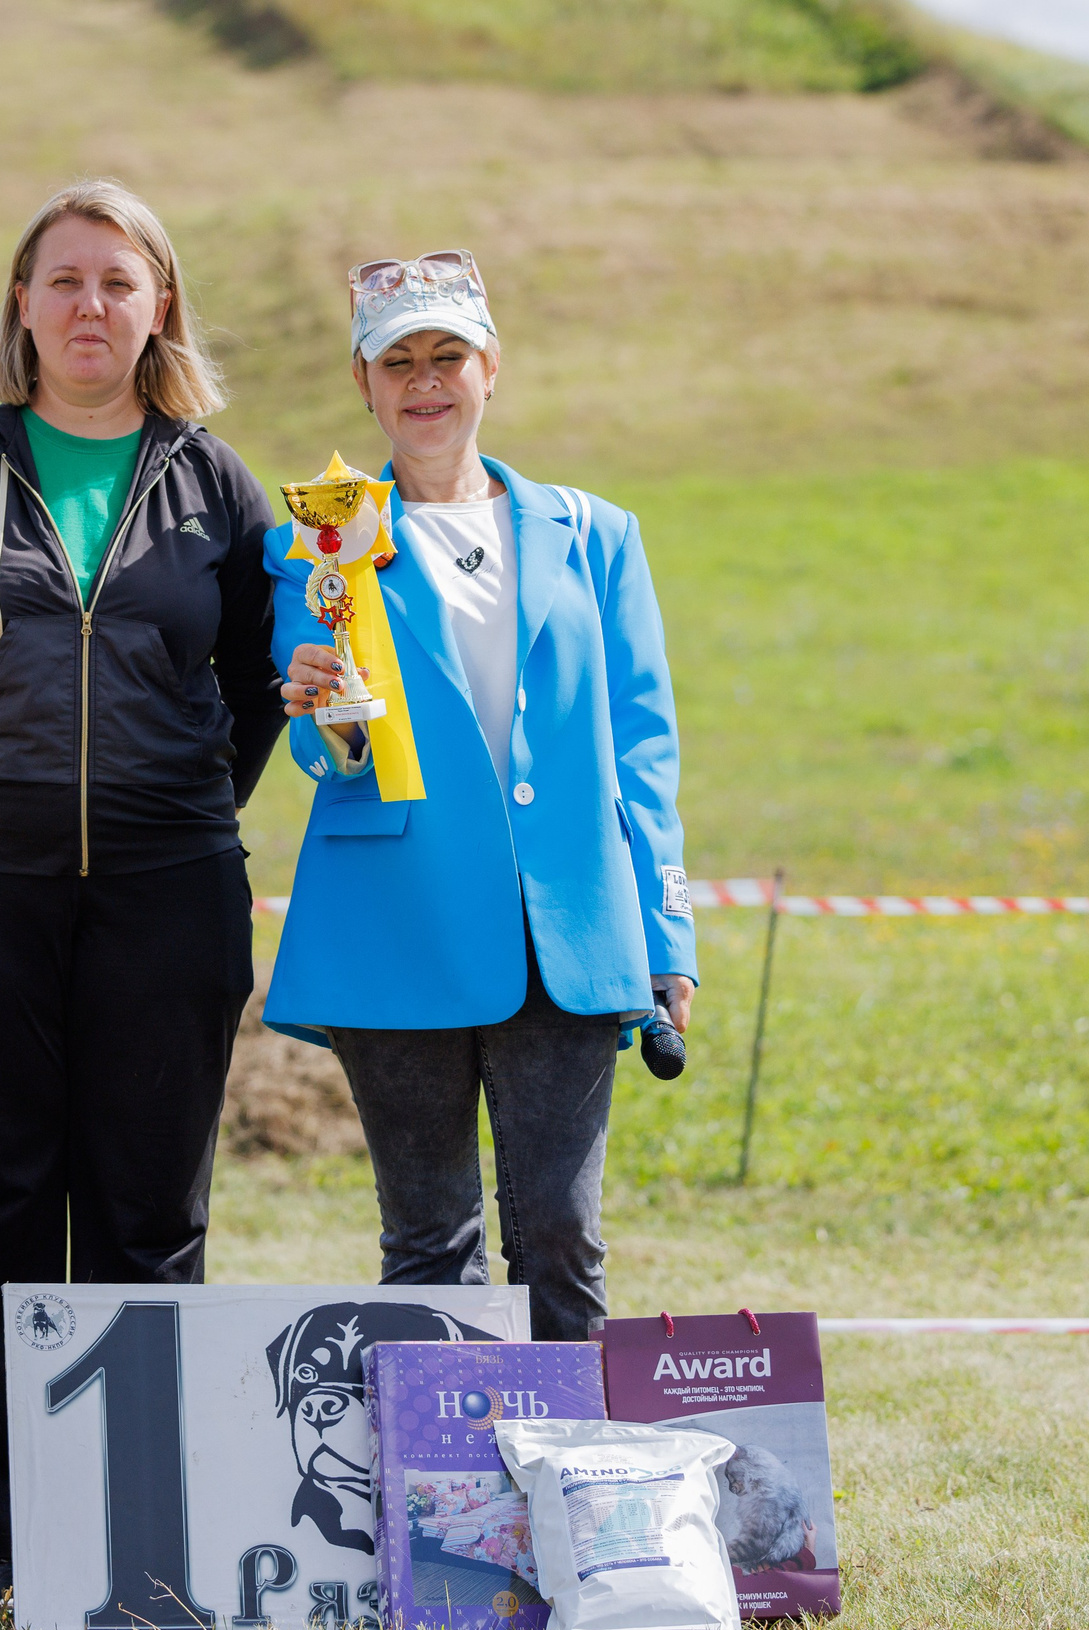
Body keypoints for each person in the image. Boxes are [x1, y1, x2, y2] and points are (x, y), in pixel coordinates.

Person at [0, 179, 287, 1600]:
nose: (90, 304)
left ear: (158, 304)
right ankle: (6, 1537)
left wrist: (181, 809)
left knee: (149, 1210)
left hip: (173, 891)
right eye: (65, 280)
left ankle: (140, 1536)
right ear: (21, 305)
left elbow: (258, 686)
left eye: (119, 280)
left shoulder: (217, 481)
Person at [263, 250, 697, 1344]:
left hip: (572, 929)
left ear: (490, 367)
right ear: (362, 384)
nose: (424, 381)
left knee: (559, 1231)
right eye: (396, 360)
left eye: (446, 355)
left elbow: (643, 750)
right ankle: (441, 1503)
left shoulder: (598, 534)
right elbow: (323, 751)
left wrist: (667, 927)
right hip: (392, 928)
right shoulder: (313, 542)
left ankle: (579, 1498)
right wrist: (318, 708)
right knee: (426, 1240)